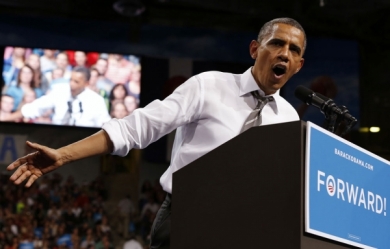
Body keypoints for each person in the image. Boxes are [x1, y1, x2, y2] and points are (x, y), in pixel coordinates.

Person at [7, 17, 305, 249]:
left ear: (298, 66)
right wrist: (64, 154)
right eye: (276, 43)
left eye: (294, 50)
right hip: (186, 220)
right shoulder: (209, 86)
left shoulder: (289, 118)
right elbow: (138, 127)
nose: (284, 53)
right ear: (255, 49)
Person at [2, 66, 111, 127]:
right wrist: (5, 119)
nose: (71, 84)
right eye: (71, 80)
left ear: (86, 83)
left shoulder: (97, 100)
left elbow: (104, 125)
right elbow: (34, 107)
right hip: (57, 137)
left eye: (76, 82)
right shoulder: (60, 91)